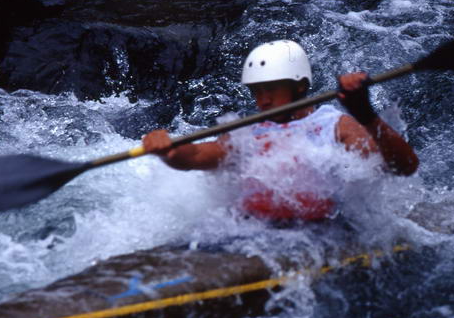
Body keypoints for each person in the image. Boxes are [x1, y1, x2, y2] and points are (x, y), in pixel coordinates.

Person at [141, 40, 418, 223]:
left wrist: (365, 114)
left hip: (324, 231)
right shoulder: (248, 132)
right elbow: (198, 154)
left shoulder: (334, 125)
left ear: (299, 86)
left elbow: (402, 166)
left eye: (271, 89)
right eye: (257, 91)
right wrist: (169, 149)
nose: (263, 100)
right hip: (251, 233)